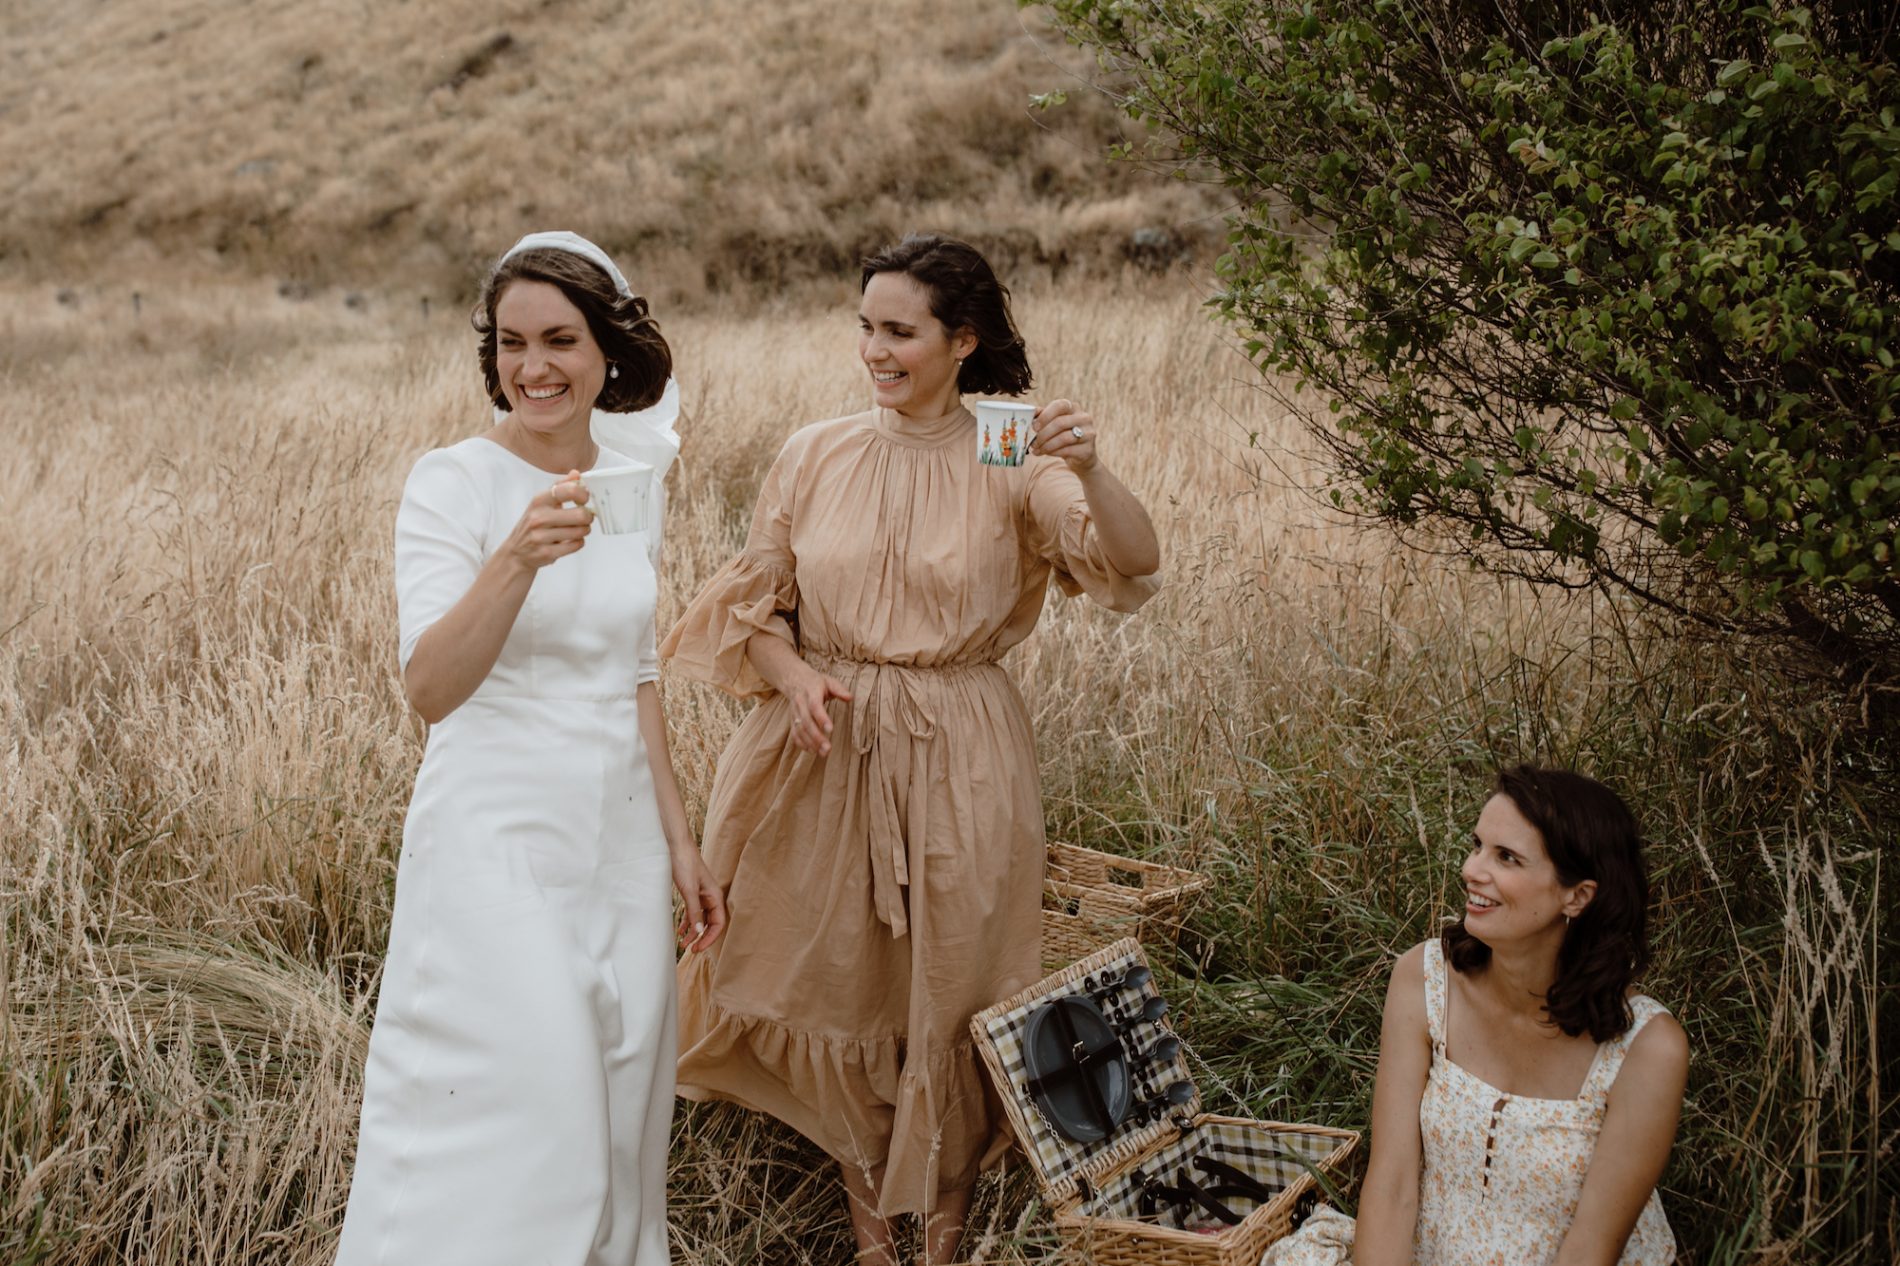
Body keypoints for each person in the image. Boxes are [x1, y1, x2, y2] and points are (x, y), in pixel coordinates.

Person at [659, 233, 1162, 1264]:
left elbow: (1126, 562)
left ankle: (941, 1225)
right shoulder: (816, 449)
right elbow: (755, 603)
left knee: (952, 982)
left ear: (960, 340)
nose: (874, 351)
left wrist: (1091, 469)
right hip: (818, 750)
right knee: (834, 976)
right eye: (864, 327)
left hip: (961, 751)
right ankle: (864, 1224)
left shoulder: (1004, 448)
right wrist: (795, 677)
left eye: (899, 331)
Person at [335, 231, 727, 1266]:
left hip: (621, 844)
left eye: (559, 340)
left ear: (606, 352)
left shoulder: (633, 477)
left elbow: (636, 672)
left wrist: (683, 845)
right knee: (526, 1114)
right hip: (494, 837)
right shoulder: (452, 483)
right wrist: (514, 560)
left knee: (614, 1110)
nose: (533, 367)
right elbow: (429, 689)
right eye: (512, 344)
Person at [1264, 766, 1688, 1266]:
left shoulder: (1646, 1048)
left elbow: (1592, 1247)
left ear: (1577, 896)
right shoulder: (1424, 980)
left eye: (1506, 857)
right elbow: (1393, 1180)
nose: (1472, 869)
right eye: (1477, 845)